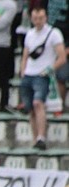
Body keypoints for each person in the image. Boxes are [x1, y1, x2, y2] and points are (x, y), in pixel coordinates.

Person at [19, 5, 65, 149]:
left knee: (38, 103)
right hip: (29, 74)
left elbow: (61, 56)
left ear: (45, 18)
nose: (37, 21)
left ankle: (41, 136)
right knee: (30, 108)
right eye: (35, 18)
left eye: (40, 18)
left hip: (42, 74)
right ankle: (35, 139)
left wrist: (50, 69)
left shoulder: (54, 33)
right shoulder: (30, 34)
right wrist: (22, 71)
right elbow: (25, 55)